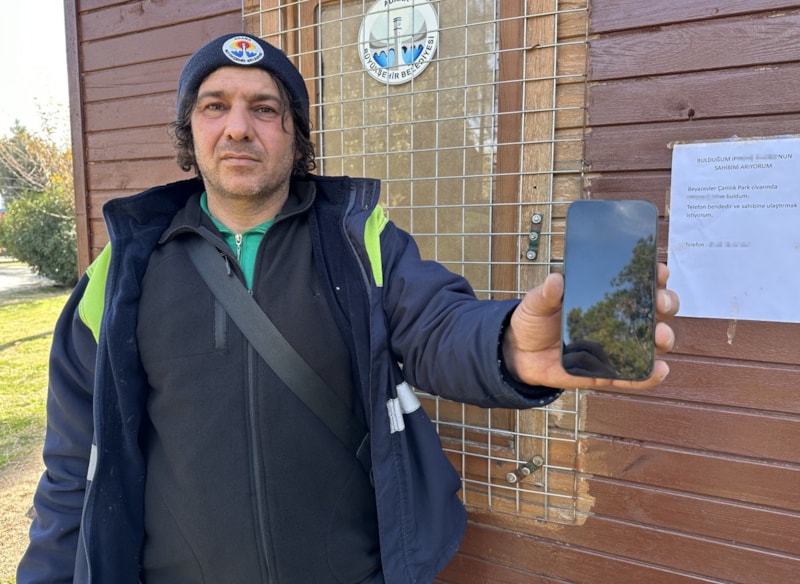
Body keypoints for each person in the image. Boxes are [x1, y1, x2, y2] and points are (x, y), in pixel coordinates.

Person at [17, 33, 679, 584]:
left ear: (296, 134)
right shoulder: (123, 271)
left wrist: (506, 344)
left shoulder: (359, 242)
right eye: (215, 106)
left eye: (264, 108)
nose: (239, 127)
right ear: (190, 129)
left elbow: (437, 326)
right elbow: (74, 463)